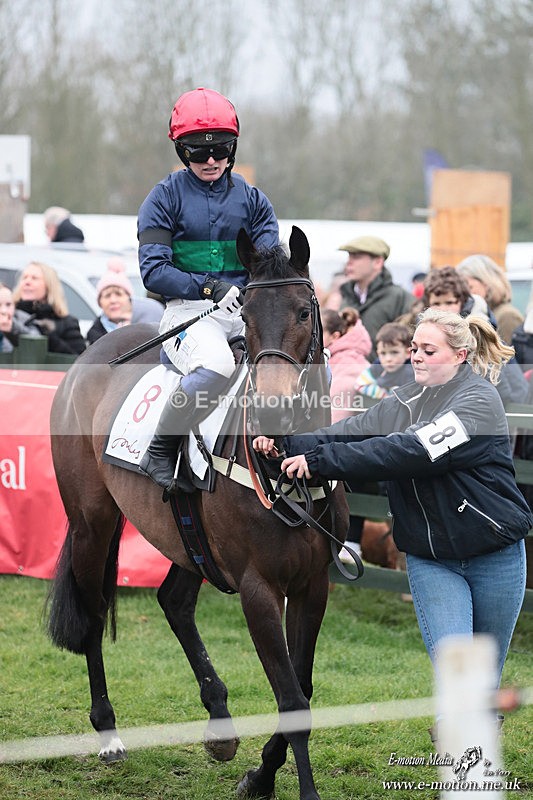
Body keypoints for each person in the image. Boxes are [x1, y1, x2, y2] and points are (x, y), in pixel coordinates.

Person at [254, 308, 531, 703]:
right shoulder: (403, 399)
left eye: (428, 350)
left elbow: (411, 450)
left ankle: (471, 755)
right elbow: (351, 431)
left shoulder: (479, 402)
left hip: (496, 555)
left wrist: (317, 463)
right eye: (414, 348)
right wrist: (287, 444)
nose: (416, 356)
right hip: (432, 558)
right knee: (460, 674)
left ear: (460, 356)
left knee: (483, 683)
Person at [137, 87, 279, 493]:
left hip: (243, 311)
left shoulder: (254, 201)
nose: (211, 160)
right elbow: (153, 271)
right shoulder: (162, 198)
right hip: (188, 314)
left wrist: (250, 290)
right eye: (199, 152)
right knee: (218, 363)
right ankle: (160, 451)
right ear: (183, 153)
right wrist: (208, 287)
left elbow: (269, 264)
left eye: (220, 151)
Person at [423, 267, 528, 405]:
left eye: (449, 302)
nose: (443, 309)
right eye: (436, 303)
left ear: (463, 303)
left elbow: (500, 388)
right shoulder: (429, 332)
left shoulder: (477, 334)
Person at [336, 235, 413, 359]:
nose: (349, 262)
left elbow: (410, 345)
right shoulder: (346, 298)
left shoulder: (400, 298)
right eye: (349, 256)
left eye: (356, 257)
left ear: (378, 262)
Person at [12, 262, 86, 355]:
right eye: (24, 277)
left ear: (49, 286)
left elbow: (80, 360)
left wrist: (48, 337)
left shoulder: (67, 323)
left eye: (34, 278)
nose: (27, 282)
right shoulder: (9, 316)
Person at [86, 258, 163, 345]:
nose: (113, 300)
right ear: (100, 303)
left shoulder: (149, 318)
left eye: (118, 294)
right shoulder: (94, 335)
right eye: (107, 296)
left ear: (129, 299)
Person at [455, 254, 523, 344]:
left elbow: (507, 355)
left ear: (487, 283)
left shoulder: (507, 316)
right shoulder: (481, 313)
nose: (464, 294)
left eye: (469, 287)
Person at [321, 307, 372, 424]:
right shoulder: (328, 359)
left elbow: (334, 420)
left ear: (334, 336)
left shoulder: (349, 365)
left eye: (319, 331)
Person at [354, 321, 414, 400]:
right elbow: (359, 384)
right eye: (383, 353)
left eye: (394, 352)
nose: (388, 359)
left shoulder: (412, 372)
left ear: (407, 353)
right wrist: (384, 395)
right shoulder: (378, 366)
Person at [0, 283, 40, 352]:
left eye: (8, 304)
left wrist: (13, 328)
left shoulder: (25, 319)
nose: (3, 310)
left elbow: (36, 342)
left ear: (14, 305)